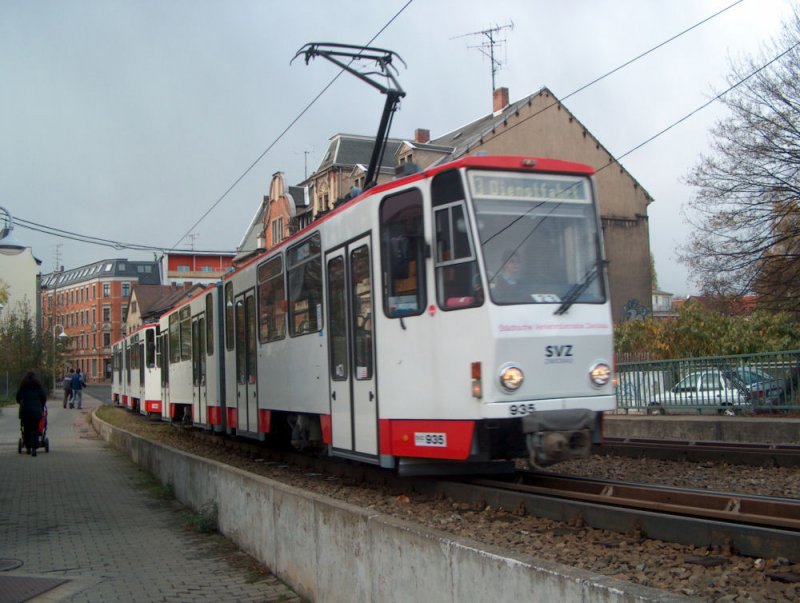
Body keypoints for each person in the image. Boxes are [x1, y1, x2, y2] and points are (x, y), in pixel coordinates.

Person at [16, 371, 47, 456]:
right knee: (35, 429)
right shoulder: (38, 386)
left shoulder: (23, 386)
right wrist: (41, 405)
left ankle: (28, 447)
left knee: (26, 429)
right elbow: (43, 397)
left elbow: (18, 398)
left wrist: (22, 403)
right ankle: (34, 448)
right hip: (36, 411)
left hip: (25, 411)